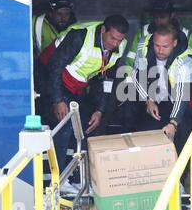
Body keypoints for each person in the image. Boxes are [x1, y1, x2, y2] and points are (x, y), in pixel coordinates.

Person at [41, 15, 129, 182]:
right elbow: (54, 66)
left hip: (77, 87)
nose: (115, 44)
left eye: (119, 40)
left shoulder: (119, 47)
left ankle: (73, 177)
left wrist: (99, 110)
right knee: (64, 126)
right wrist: (57, 100)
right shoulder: (80, 36)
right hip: (52, 80)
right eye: (112, 38)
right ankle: (56, 181)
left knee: (88, 125)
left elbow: (107, 79)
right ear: (103, 30)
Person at [132, 23, 192, 155]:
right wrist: (148, 99)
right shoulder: (144, 46)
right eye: (156, 45)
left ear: (174, 43)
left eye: (165, 46)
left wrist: (173, 123)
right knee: (144, 131)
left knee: (182, 135)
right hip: (154, 100)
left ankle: (179, 174)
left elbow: (182, 96)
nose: (160, 50)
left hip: (179, 105)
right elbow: (136, 74)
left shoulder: (185, 60)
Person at [124, 0, 192, 70]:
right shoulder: (143, 32)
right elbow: (130, 59)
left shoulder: (185, 35)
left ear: (172, 15)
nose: (159, 20)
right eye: (156, 17)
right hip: (147, 83)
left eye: (162, 17)